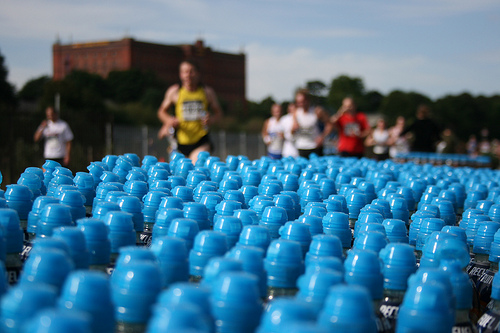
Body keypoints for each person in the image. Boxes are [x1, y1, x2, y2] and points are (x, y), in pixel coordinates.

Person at [157, 59, 222, 164]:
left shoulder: (207, 92)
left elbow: (219, 114)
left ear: (198, 73)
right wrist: (169, 120)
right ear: (180, 74)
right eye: (185, 72)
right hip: (180, 141)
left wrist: (211, 120)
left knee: (195, 168)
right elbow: (161, 112)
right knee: (182, 172)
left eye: (191, 71)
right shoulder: (174, 91)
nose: (188, 75)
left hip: (201, 140)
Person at [291, 89, 332, 158]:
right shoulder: (296, 113)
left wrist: (322, 137)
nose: (301, 104)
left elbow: (329, 124)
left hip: (315, 146)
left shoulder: (317, 111)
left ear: (308, 100)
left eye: (303, 102)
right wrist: (293, 129)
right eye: (298, 102)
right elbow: (292, 132)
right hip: (301, 146)